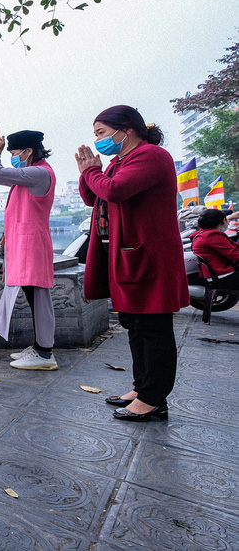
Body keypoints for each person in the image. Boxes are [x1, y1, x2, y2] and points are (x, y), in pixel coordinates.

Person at [76, 106, 188, 422]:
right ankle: (141, 388)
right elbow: (94, 197)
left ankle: (153, 399)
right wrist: (90, 170)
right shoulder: (119, 162)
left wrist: (92, 172)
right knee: (134, 325)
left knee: (153, 327)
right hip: (127, 255)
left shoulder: (151, 156)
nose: (98, 140)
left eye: (101, 133)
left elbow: (115, 189)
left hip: (149, 257)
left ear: (126, 130)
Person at [0, 128, 58, 370]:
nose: (13, 160)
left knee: (38, 297)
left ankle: (45, 354)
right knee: (31, 294)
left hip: (32, 246)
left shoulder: (39, 172)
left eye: (15, 154)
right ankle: (39, 348)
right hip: (24, 246)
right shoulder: (31, 175)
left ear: (28, 151)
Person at [190, 208, 239, 290]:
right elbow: (235, 255)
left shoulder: (202, 234)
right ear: (223, 220)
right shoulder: (212, 236)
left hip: (215, 275)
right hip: (223, 276)